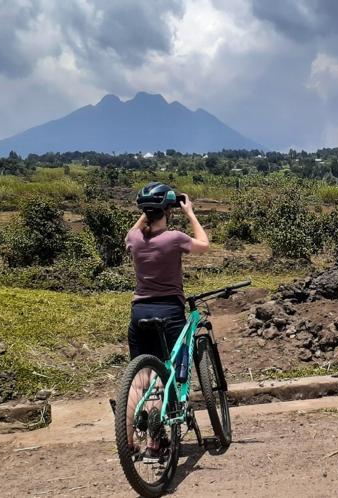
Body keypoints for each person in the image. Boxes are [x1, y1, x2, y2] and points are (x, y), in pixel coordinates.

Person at [123, 182, 210, 460]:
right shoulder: (174, 238)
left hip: (139, 313)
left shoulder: (135, 239)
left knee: (139, 380)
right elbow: (204, 245)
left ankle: (127, 443)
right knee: (163, 378)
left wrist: (147, 213)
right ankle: (154, 444)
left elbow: (135, 231)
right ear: (167, 210)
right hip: (169, 312)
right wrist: (190, 213)